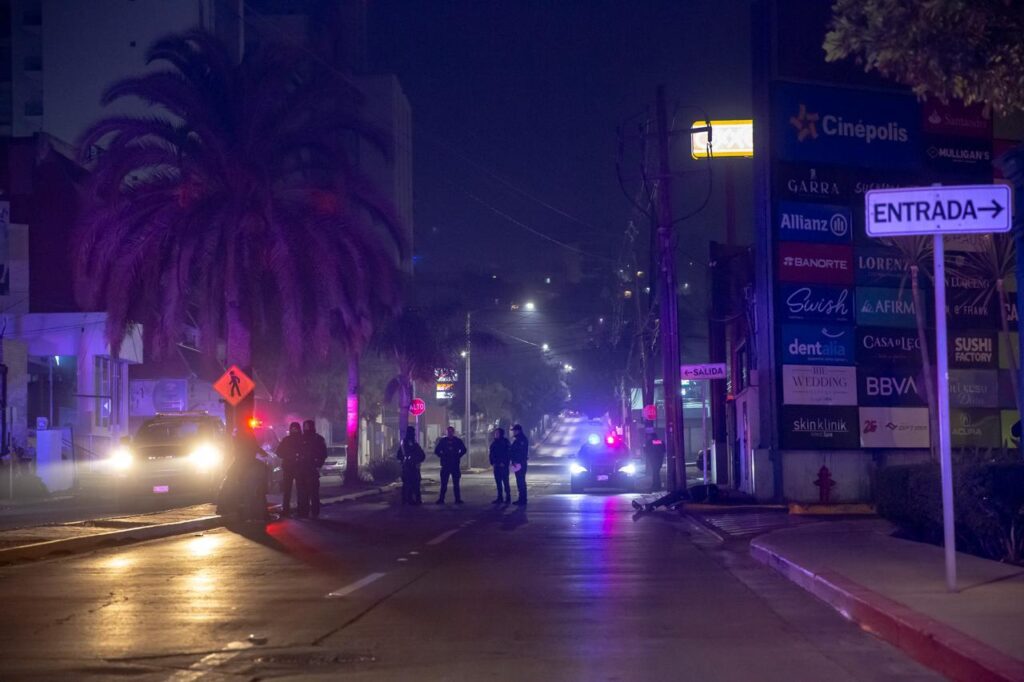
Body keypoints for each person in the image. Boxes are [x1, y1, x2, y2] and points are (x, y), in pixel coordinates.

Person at [275, 422, 305, 517]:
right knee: (287, 490)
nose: (294, 430)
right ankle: (286, 510)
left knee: (300, 490)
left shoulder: (302, 440)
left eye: (296, 429)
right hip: (289, 467)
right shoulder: (286, 440)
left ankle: (301, 510)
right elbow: (278, 452)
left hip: (299, 467)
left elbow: (307, 452)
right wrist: (288, 456)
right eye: (293, 429)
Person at [301, 419, 328, 519]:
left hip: (312, 469)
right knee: (303, 493)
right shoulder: (301, 438)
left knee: (314, 492)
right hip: (302, 469)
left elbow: (324, 454)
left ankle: (315, 512)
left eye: (308, 426)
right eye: (305, 426)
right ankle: (304, 512)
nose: (306, 428)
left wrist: (318, 465)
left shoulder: (318, 439)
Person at [434, 425, 467, 504]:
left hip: (455, 464)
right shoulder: (443, 441)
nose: (449, 433)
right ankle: (441, 499)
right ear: (446, 432)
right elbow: (436, 450)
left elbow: (464, 450)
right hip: (445, 465)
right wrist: (442, 456)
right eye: (448, 432)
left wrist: (458, 456)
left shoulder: (457, 441)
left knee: (456, 484)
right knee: (444, 484)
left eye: (451, 432)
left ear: (453, 432)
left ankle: (457, 499)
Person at [396, 426, 426, 505]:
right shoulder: (410, 445)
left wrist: (416, 460)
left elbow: (422, 455)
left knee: (411, 484)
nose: (413, 435)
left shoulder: (410, 444)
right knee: (410, 484)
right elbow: (399, 456)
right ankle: (410, 500)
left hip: (411, 468)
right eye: (412, 433)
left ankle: (410, 500)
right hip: (409, 468)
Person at [489, 427, 512, 504]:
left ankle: (508, 498)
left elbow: (508, 454)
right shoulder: (494, 443)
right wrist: (492, 462)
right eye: (495, 433)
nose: (495, 435)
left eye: (497, 433)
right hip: (496, 465)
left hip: (503, 466)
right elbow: (491, 454)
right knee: (498, 482)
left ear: (501, 434)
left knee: (505, 482)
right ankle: (500, 498)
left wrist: (505, 463)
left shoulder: (505, 442)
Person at [509, 423, 529, 505]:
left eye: (514, 431)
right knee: (519, 481)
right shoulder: (518, 439)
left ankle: (523, 499)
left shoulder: (522, 440)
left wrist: (516, 460)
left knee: (521, 482)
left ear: (518, 431)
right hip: (517, 463)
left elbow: (521, 452)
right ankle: (521, 499)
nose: (513, 432)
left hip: (520, 463)